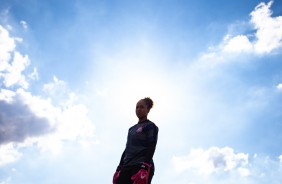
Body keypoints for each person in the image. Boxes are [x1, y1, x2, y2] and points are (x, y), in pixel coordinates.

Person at [113, 97, 159, 184]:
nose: (138, 109)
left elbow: (151, 146)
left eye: (141, 107)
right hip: (126, 167)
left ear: (148, 110)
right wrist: (119, 168)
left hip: (140, 165)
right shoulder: (131, 129)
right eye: (137, 107)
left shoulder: (150, 126)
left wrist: (145, 166)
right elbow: (127, 149)